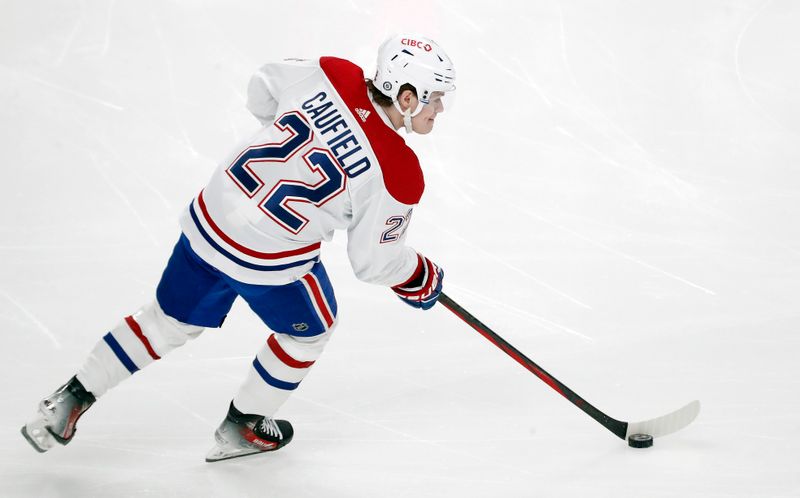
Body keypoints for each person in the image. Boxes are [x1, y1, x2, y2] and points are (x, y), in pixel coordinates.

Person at [21, 33, 456, 462]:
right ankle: (244, 425)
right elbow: (373, 262)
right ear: (405, 96)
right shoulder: (399, 170)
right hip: (267, 260)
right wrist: (417, 275)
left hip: (213, 215)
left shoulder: (331, 72)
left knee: (163, 322)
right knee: (310, 332)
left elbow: (263, 85)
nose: (439, 109)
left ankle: (69, 399)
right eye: (434, 98)